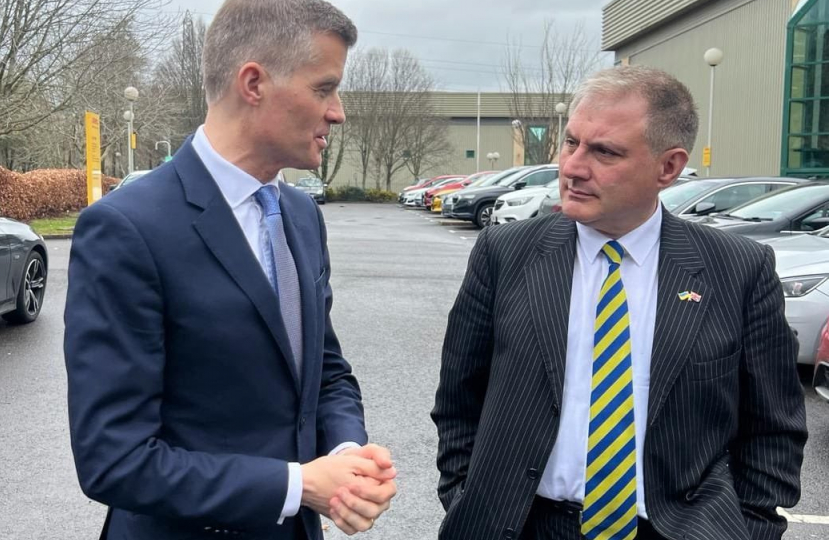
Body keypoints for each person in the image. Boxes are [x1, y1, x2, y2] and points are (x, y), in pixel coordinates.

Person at [64, 1, 396, 538]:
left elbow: (326, 370)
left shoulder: (302, 215)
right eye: (323, 88)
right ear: (253, 83)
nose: (338, 111)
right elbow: (114, 458)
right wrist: (297, 486)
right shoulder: (127, 228)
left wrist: (346, 454)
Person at [431, 65, 807, 540]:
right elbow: (459, 398)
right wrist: (464, 495)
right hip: (519, 525)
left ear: (668, 167)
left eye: (604, 151)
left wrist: (751, 526)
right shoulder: (505, 253)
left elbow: (774, 427)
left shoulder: (737, 270)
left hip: (672, 529)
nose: (572, 167)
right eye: (571, 143)